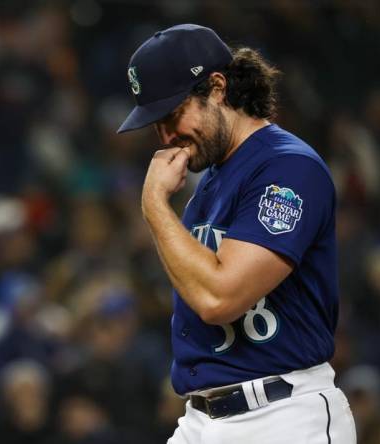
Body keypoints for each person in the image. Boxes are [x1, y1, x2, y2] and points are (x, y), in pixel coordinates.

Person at [117, 24, 356, 442]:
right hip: (203, 419)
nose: (166, 136)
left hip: (282, 416)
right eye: (156, 123)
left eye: (172, 114)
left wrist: (154, 205)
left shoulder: (288, 168)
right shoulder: (210, 182)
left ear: (217, 87)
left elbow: (218, 298)